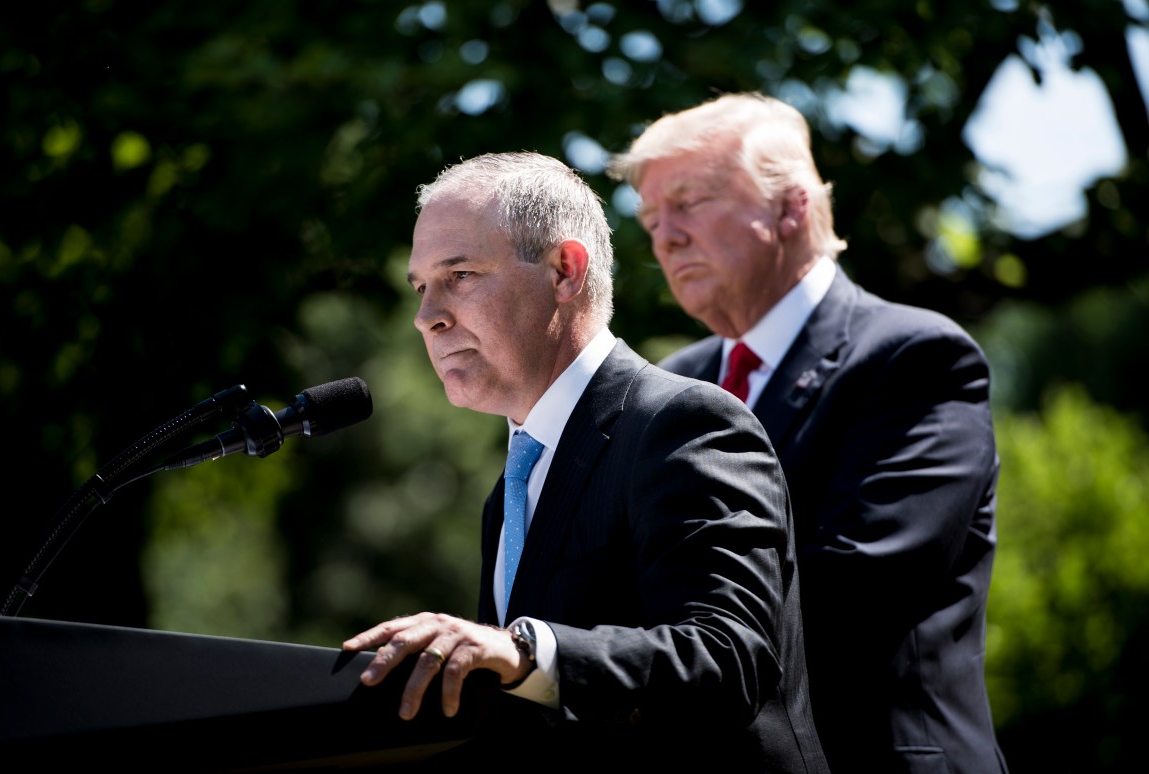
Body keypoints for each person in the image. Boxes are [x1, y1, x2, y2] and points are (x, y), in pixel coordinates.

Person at [343, 151, 829, 770]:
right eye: (421, 287)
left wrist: (525, 651)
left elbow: (727, 660)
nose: (426, 316)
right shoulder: (513, 486)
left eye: (459, 274)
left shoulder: (684, 424)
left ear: (565, 271)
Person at [606, 92, 1009, 773]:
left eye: (689, 201)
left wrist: (604, 656)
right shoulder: (670, 385)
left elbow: (853, 594)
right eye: (650, 218)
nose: (664, 236)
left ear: (791, 206)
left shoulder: (914, 357)